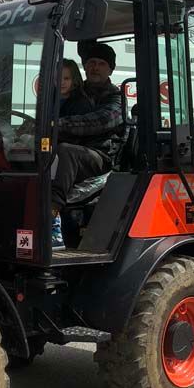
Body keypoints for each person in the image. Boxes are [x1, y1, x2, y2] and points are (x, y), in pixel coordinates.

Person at [51, 41, 124, 248]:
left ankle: (50, 211)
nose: (95, 67)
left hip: (99, 156)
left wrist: (57, 125)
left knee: (67, 152)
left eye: (101, 63)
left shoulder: (116, 98)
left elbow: (100, 121)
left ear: (110, 68)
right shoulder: (75, 93)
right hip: (75, 151)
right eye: (91, 62)